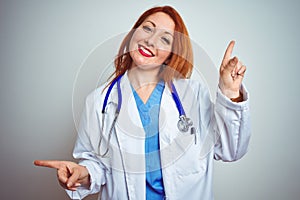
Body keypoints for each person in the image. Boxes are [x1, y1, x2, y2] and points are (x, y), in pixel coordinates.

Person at [34, 5, 251, 200]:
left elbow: (230, 150)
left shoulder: (192, 94)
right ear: (133, 34)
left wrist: (230, 92)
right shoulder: (99, 101)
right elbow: (97, 164)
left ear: (170, 55)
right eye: (147, 28)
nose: (150, 40)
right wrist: (84, 173)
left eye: (165, 39)